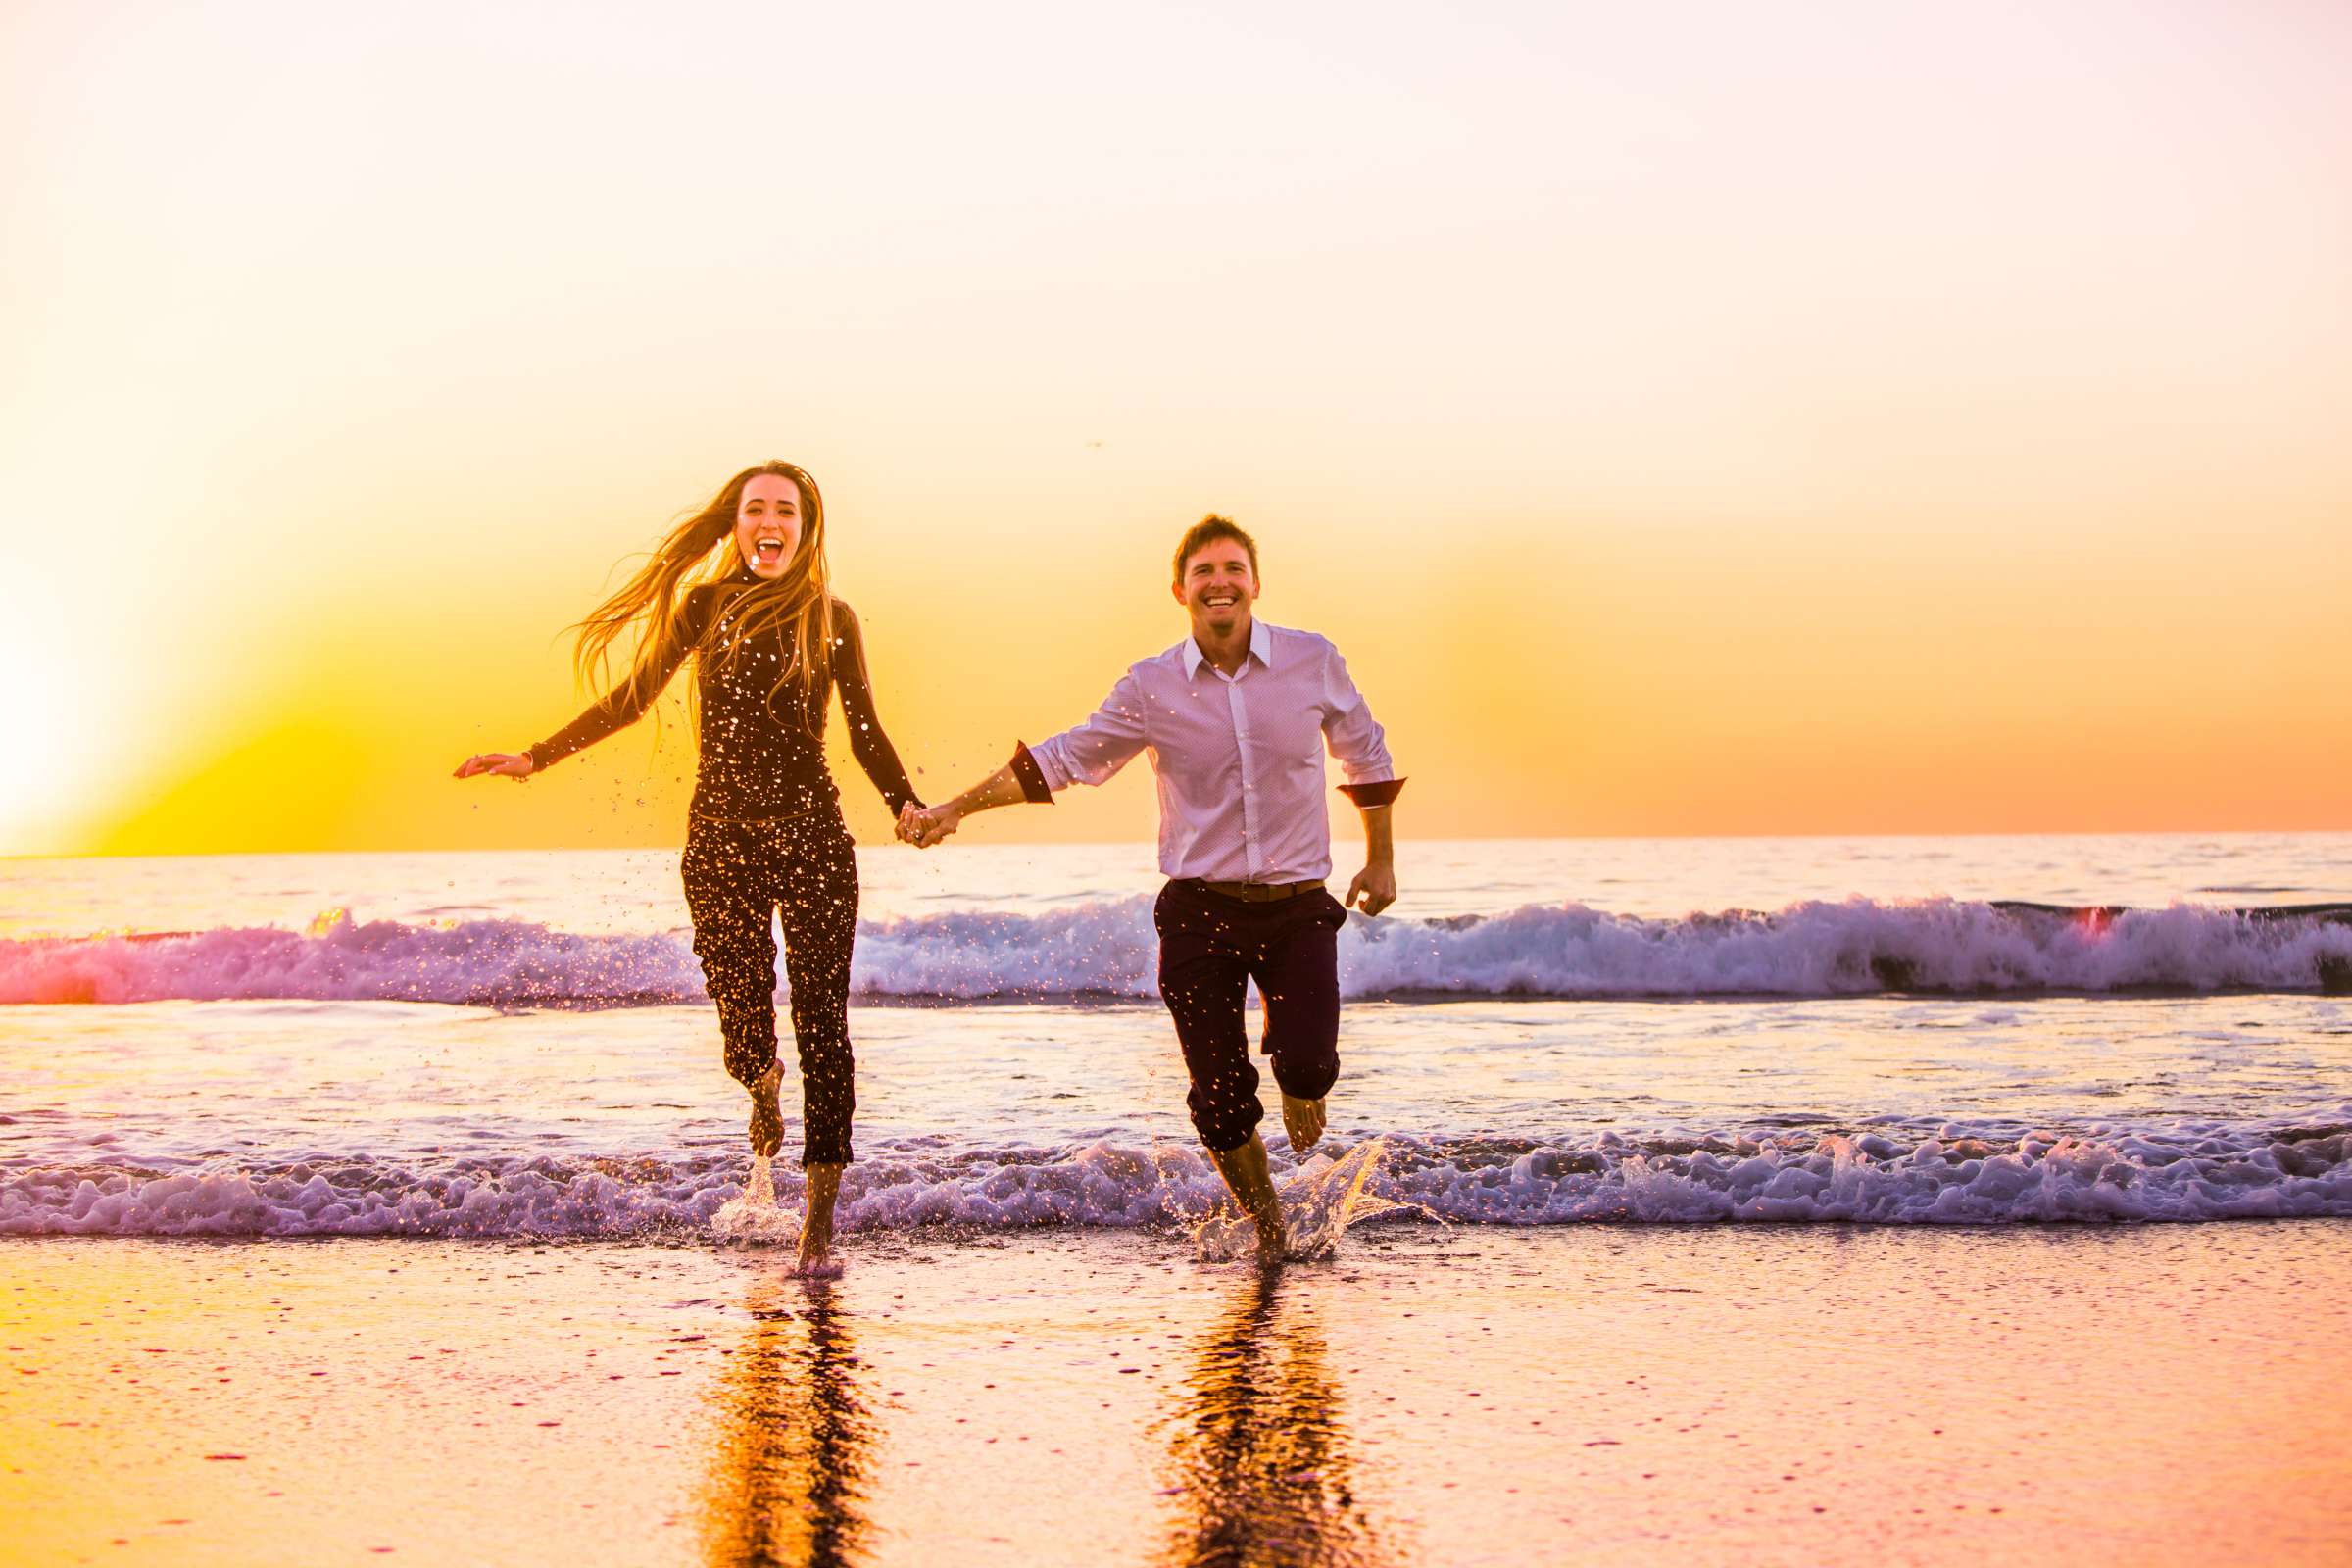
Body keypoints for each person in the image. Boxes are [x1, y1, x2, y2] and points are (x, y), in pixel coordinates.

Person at [455, 460, 921, 1268]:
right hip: (719, 844)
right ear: (736, 526)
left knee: (824, 1028)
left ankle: (817, 1226)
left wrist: (905, 804)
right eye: (755, 510)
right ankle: (760, 1080)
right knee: (743, 1029)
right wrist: (534, 757)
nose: (769, 522)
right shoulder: (704, 608)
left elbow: (866, 734)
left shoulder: (831, 618)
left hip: (813, 839)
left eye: (786, 511)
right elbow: (632, 697)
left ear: (807, 530)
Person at [899, 515, 1401, 1259]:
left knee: (1309, 1067)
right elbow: (1065, 757)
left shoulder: (1311, 661)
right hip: (1199, 911)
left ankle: (1300, 1079)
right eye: (1203, 572)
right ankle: (1270, 1231)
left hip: (1298, 905)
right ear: (1180, 589)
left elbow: (1365, 750)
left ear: (1255, 583)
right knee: (1220, 1102)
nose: (1219, 582)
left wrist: (1380, 859)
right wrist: (952, 809)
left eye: (1233, 568)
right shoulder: (1152, 685)